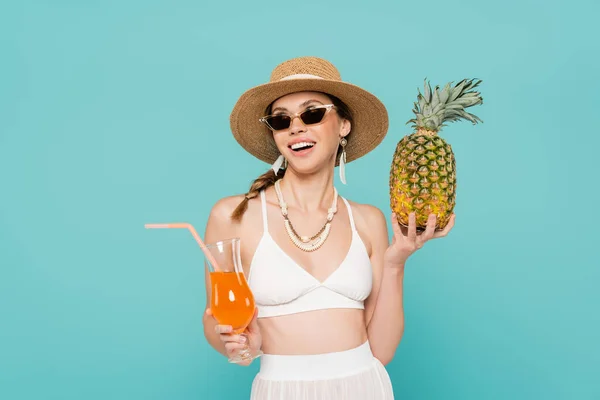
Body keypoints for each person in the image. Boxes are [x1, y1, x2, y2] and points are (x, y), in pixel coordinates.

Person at [202, 56, 455, 399]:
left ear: (343, 125)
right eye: (281, 119)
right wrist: (237, 345)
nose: (296, 127)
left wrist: (396, 263)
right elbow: (215, 319)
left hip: (364, 386)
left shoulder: (367, 220)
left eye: (312, 113)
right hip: (281, 389)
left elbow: (381, 350)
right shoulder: (233, 215)